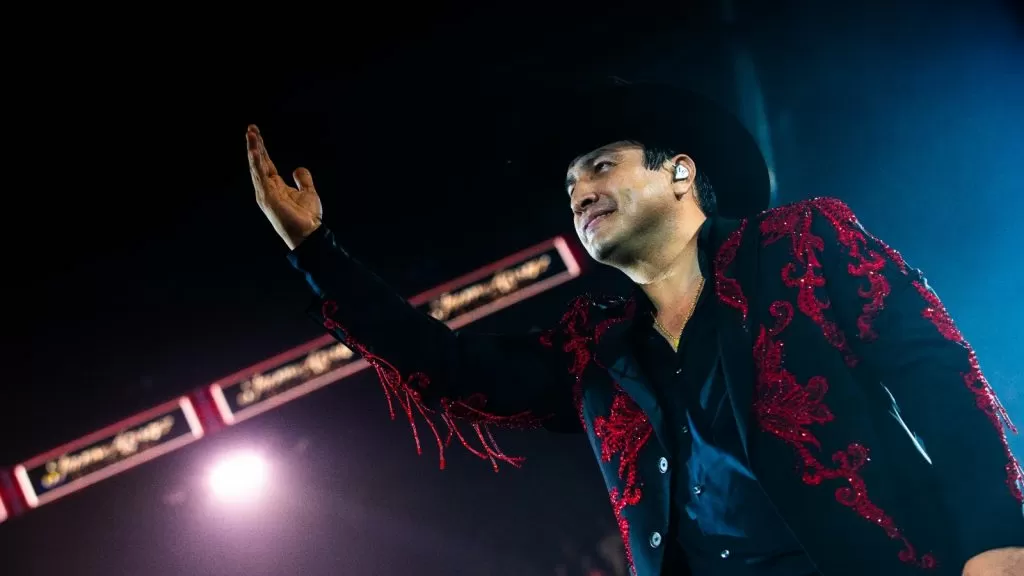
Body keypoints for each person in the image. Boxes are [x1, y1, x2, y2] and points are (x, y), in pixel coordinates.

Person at [244, 82, 1023, 576]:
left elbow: (938, 376)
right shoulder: (594, 347)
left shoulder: (798, 246)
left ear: (680, 171)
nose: (579, 192)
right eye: (569, 185)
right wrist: (316, 253)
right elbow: (451, 367)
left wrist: (999, 539)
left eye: (600, 166)